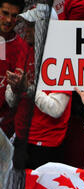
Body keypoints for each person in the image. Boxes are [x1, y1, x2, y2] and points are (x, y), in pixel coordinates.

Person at [5, 5, 72, 169]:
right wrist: (14, 88)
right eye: (27, 24)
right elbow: (11, 101)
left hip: (46, 144)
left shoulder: (63, 58)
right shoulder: (27, 50)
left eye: (32, 26)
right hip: (22, 137)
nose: (26, 29)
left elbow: (56, 109)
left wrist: (29, 90)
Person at [0, 0, 25, 138]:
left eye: (14, 15)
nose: (9, 20)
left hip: (4, 125)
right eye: (5, 13)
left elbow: (18, 98)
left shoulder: (21, 48)